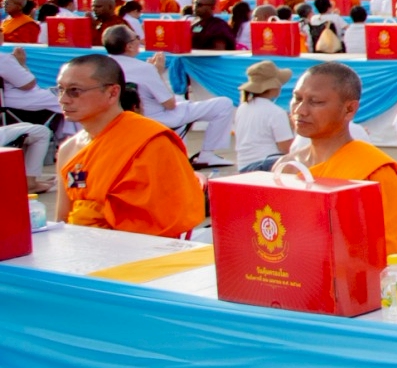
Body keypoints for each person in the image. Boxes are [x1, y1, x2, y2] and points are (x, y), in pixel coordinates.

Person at [52, 54, 206, 237]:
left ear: (112, 93)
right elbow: (63, 219)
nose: (63, 99)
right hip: (81, 250)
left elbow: (171, 216)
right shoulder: (69, 149)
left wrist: (94, 216)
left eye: (74, 91)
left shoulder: (150, 141)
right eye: (60, 89)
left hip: (140, 252)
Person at [280, 62, 397, 269]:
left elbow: (390, 258)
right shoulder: (287, 167)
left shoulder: (374, 172)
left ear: (349, 109)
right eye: (297, 98)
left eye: (315, 102)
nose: (300, 110)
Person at [103, 26, 236, 167]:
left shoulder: (102, 66)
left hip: (116, 118)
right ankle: (207, 154)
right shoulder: (143, 68)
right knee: (224, 104)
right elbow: (169, 104)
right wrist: (157, 73)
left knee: (181, 101)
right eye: (136, 38)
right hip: (154, 118)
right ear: (129, 46)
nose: (140, 41)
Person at [232, 60, 295, 171]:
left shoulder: (242, 108)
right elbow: (287, 149)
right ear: (273, 86)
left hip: (243, 166)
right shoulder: (276, 112)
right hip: (267, 164)